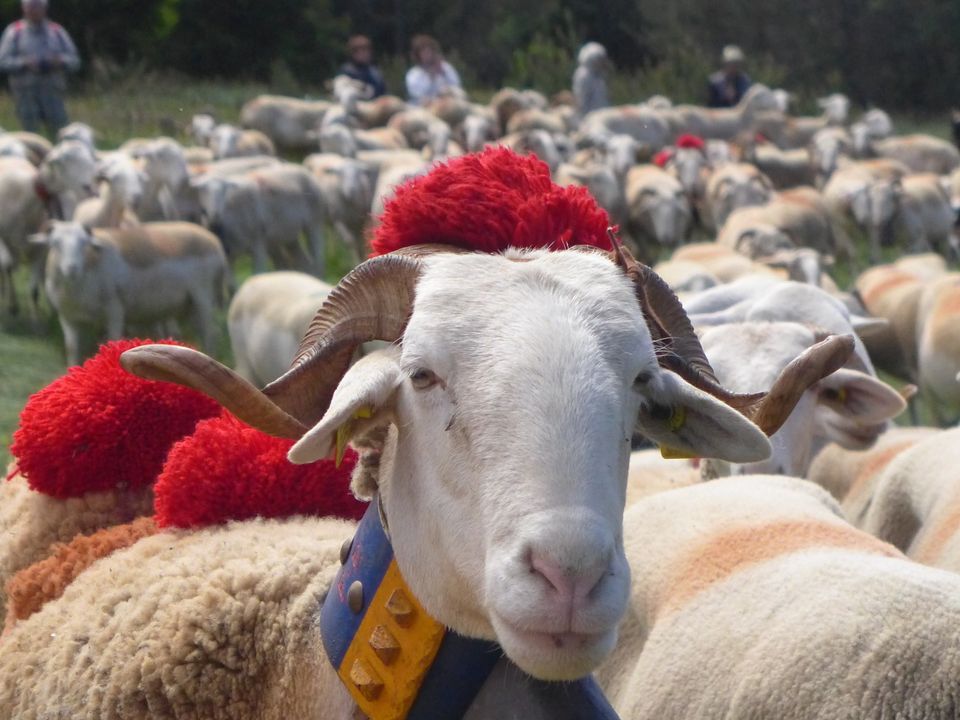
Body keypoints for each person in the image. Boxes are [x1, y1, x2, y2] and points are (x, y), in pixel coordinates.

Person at [0, 0, 80, 136]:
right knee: (29, 134)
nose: (34, 11)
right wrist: (24, 63)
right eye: (30, 7)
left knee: (61, 132)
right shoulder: (14, 32)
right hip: (25, 93)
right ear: (23, 9)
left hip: (53, 91)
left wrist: (60, 61)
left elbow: (74, 61)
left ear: (45, 9)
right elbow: (3, 61)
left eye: (37, 7)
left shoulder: (57, 31)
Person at [405, 34, 461, 106]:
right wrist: (431, 78)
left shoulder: (445, 67)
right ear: (418, 55)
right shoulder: (413, 74)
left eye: (429, 52)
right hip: (421, 106)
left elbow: (457, 86)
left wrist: (443, 74)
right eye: (424, 52)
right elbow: (417, 94)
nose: (428, 55)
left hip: (446, 105)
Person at [338, 34, 386, 99]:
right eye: (362, 51)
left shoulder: (374, 72)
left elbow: (382, 91)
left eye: (367, 50)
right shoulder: (347, 71)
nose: (366, 54)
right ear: (353, 53)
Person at [572, 41, 610, 117]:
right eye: (599, 59)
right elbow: (581, 99)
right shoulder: (583, 74)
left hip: (601, 114)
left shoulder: (598, 75)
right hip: (589, 116)